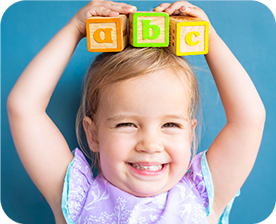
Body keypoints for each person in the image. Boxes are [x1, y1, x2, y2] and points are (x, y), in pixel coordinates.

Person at [7, 1, 265, 223]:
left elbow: (249, 119)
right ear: (93, 134)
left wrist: (207, 38)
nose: (150, 144)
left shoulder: (203, 196)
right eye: (126, 124)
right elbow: (24, 107)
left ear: (190, 134)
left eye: (170, 125)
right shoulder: (77, 200)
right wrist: (75, 30)